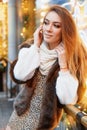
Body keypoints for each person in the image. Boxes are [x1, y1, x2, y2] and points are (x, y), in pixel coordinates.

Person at [6, 4, 87, 130]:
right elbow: (19, 75)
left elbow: (68, 99)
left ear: (65, 30)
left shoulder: (72, 58)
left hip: (43, 125)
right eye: (46, 23)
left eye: (56, 25)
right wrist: (36, 47)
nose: (48, 29)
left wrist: (64, 66)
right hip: (18, 117)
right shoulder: (31, 49)